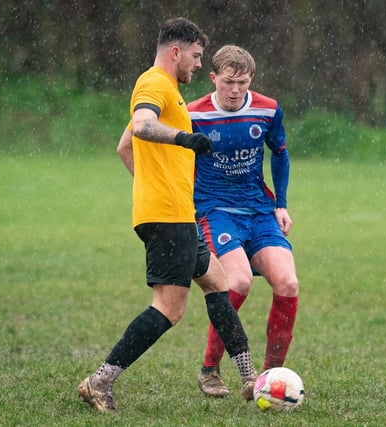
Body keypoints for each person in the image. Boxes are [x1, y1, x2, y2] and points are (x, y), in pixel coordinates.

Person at [78, 18, 257, 413]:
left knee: (216, 280)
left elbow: (124, 146)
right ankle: (100, 381)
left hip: (175, 212)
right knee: (170, 307)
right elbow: (141, 127)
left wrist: (152, 185)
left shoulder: (168, 89)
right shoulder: (155, 84)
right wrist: (183, 138)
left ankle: (249, 377)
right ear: (176, 52)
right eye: (195, 57)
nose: (197, 65)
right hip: (168, 217)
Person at [188, 45, 299, 398]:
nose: (235, 90)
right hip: (216, 211)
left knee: (288, 283)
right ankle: (210, 369)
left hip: (258, 210)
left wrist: (281, 205)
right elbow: (176, 163)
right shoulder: (193, 115)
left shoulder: (267, 109)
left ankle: (269, 378)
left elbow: (280, 154)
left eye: (243, 82)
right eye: (228, 82)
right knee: (239, 281)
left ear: (251, 79)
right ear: (213, 78)